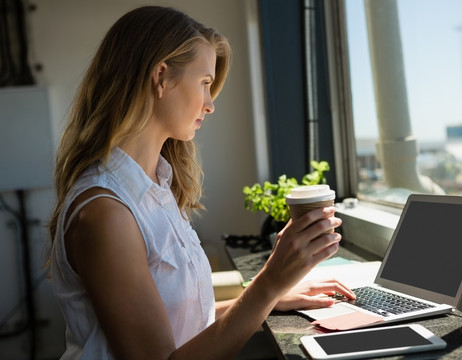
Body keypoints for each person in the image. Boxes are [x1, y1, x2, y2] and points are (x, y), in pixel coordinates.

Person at [47, 6, 355, 359]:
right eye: (205, 84)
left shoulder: (157, 188)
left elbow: (186, 328)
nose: (209, 105)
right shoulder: (106, 212)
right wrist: (269, 283)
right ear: (161, 76)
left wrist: (270, 295)